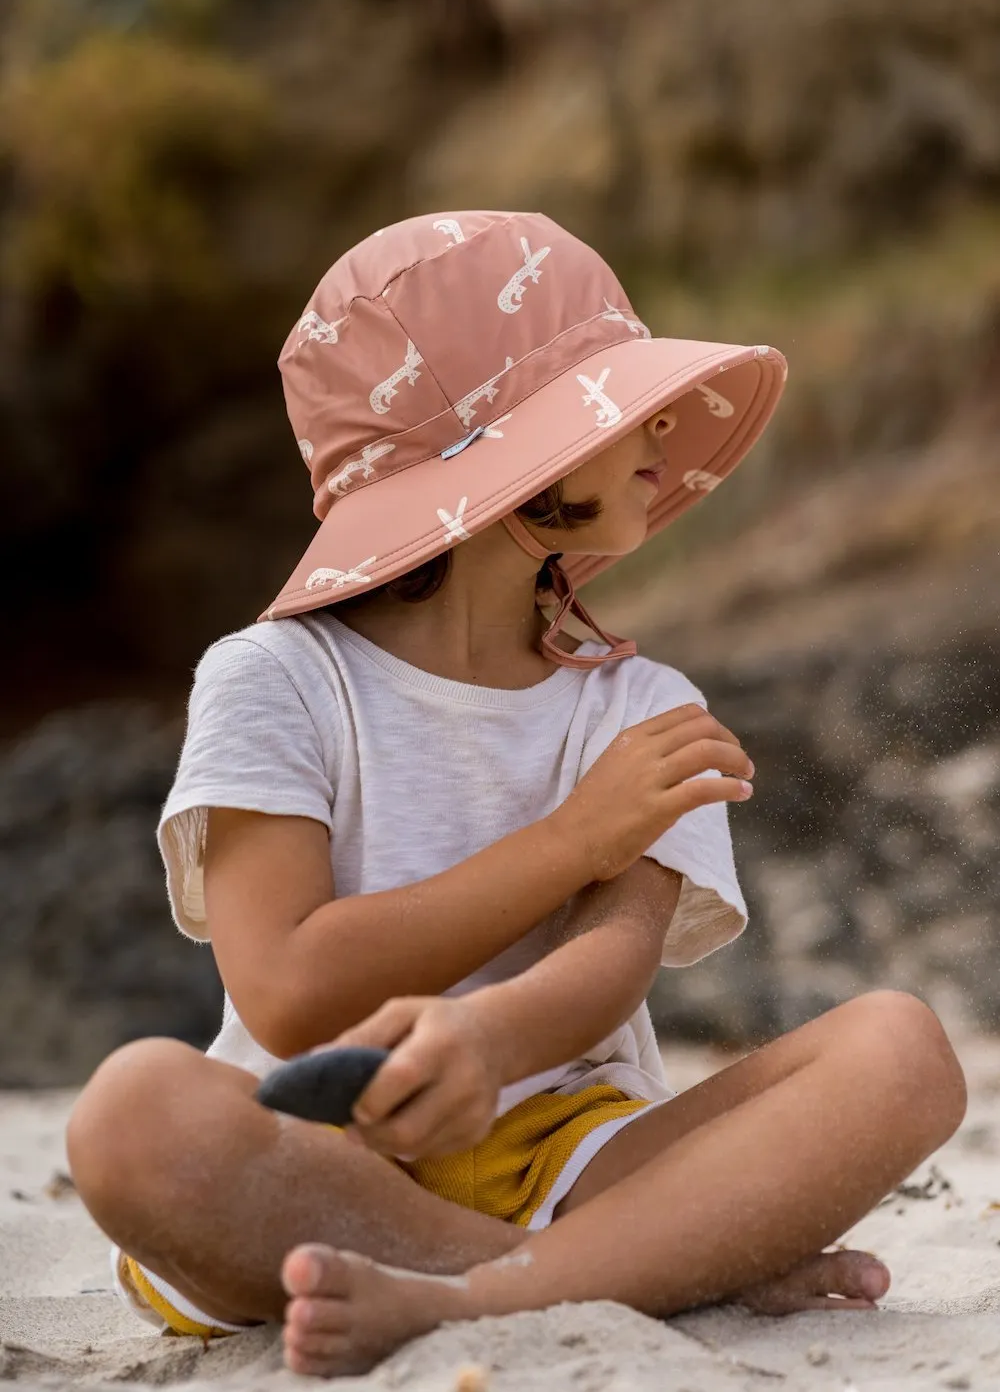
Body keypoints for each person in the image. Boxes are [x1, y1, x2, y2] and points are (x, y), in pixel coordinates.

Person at [66, 210, 966, 1378]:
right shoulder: (274, 678)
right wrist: (571, 837)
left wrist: (490, 1041)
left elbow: (616, 955)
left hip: (572, 1155)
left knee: (902, 1050)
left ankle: (487, 1290)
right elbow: (285, 991)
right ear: (505, 456)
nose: (655, 426)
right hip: (318, 1158)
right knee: (131, 1114)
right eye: (613, 401)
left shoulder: (640, 709)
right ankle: (623, 1268)